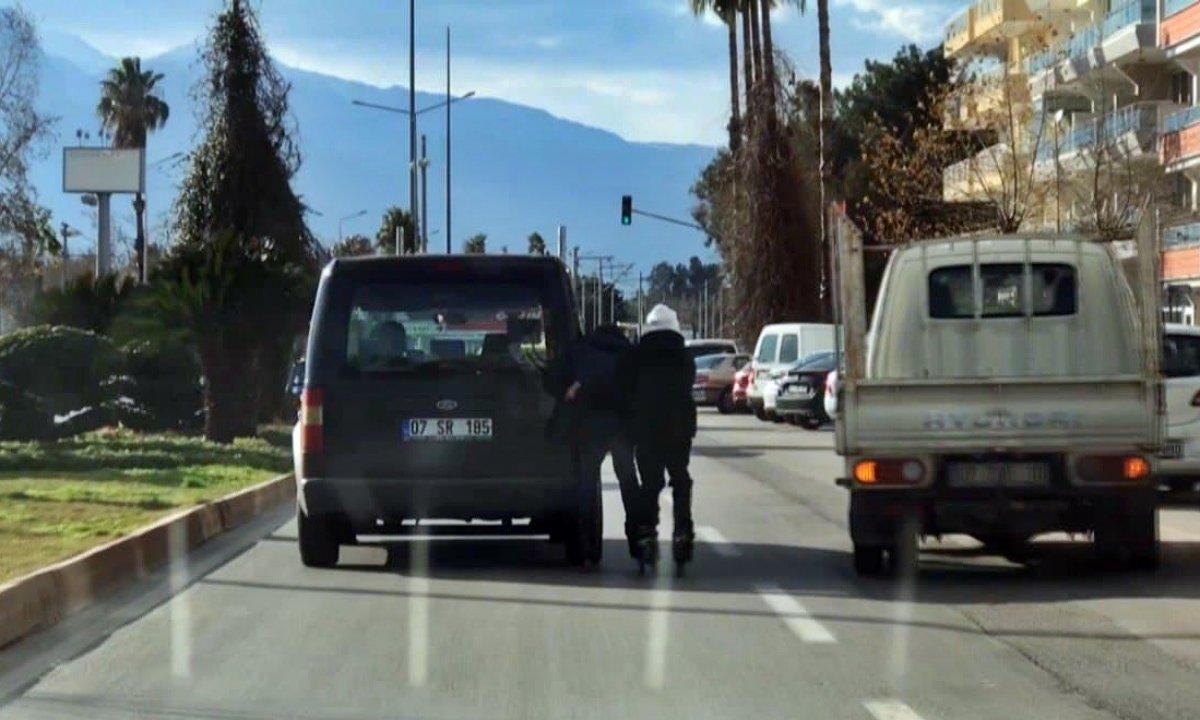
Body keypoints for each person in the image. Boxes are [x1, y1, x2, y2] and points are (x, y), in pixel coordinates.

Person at [545, 324, 640, 562]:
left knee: (587, 482)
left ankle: (586, 542)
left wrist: (568, 391)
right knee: (628, 481)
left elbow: (553, 378)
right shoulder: (629, 354)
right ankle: (639, 538)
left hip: (590, 429)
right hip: (621, 428)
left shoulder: (581, 351)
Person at [621, 304, 697, 569]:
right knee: (680, 479)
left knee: (650, 483)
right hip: (678, 427)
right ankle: (682, 533)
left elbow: (628, 389)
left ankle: (646, 534)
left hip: (645, 428)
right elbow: (688, 384)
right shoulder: (684, 356)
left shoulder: (636, 355)